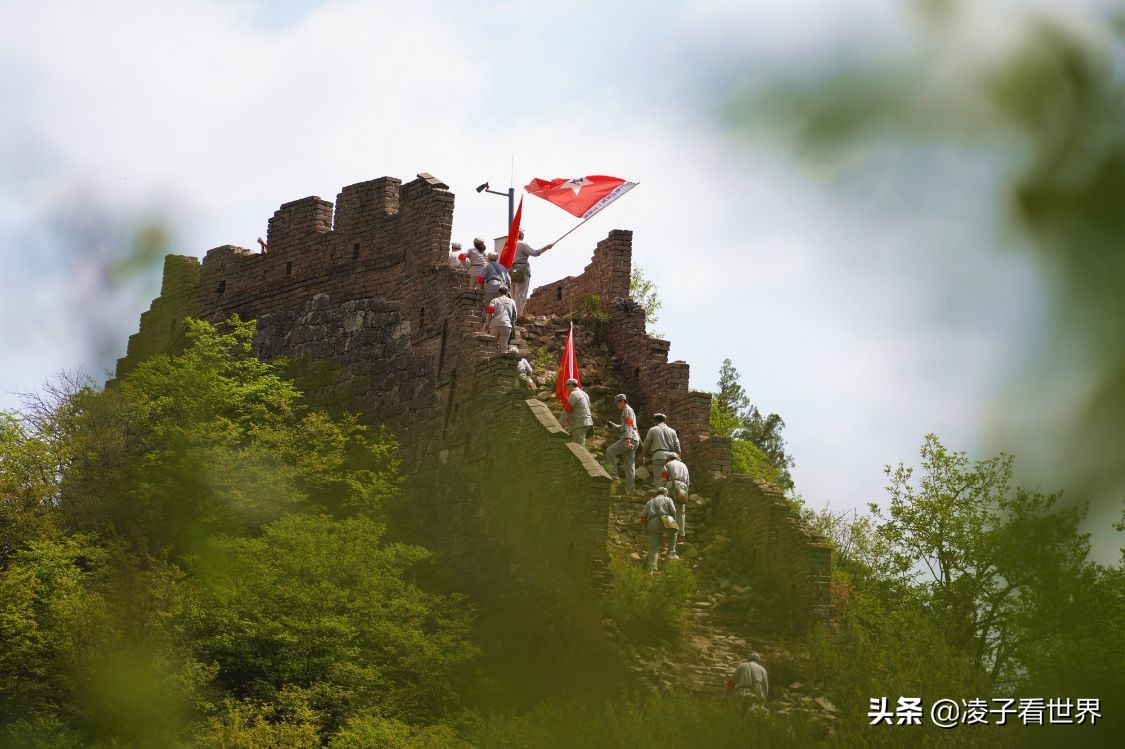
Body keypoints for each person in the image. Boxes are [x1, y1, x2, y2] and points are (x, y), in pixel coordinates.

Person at [509, 230, 554, 316]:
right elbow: (535, 253)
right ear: (522, 236)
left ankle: (511, 314)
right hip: (522, 270)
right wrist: (546, 247)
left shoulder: (510, 245)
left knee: (513, 294)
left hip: (512, 270)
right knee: (521, 294)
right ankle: (518, 315)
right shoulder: (522, 244)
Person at [604, 393, 640, 491]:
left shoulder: (627, 410)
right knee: (629, 466)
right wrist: (613, 425)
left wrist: (627, 438)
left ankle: (614, 474)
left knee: (610, 451)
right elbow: (625, 426)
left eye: (617, 403)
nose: (617, 405)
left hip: (629, 438)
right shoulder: (629, 410)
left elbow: (629, 424)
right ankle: (630, 489)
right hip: (634, 439)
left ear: (622, 401)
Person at [640, 487, 679, 572]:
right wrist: (673, 521)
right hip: (666, 518)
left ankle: (651, 569)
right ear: (665, 493)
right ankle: (671, 552)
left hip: (653, 522)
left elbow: (643, 516)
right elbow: (673, 511)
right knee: (675, 532)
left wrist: (645, 528)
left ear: (657, 493)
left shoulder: (650, 502)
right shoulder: (668, 499)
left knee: (654, 548)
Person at [640, 413, 681, 487]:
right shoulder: (673, 431)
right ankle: (669, 497)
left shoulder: (652, 430)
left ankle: (660, 497)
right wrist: (679, 459)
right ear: (665, 421)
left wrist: (643, 456)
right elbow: (678, 447)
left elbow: (646, 444)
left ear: (655, 421)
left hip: (658, 457)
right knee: (670, 480)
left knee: (659, 480)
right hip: (671, 458)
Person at [661, 452, 690, 552]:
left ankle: (669, 532)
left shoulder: (667, 465)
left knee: (668, 511)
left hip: (671, 487)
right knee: (681, 512)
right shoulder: (684, 466)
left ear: (669, 458)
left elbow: (663, 478)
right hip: (683, 488)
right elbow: (688, 481)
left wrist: (661, 490)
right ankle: (681, 535)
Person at [728, 652, 769, 719]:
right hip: (757, 697)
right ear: (758, 661)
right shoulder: (763, 670)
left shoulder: (742, 666)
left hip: (742, 694)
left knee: (739, 717)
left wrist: (726, 697)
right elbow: (765, 689)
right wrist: (763, 703)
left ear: (748, 659)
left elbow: (731, 682)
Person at [481, 252, 511, 325]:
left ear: (488, 257)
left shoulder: (487, 266)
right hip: (503, 290)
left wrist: (480, 288)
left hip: (491, 288)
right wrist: (508, 290)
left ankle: (487, 324)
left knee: (488, 307)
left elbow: (481, 278)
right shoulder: (503, 267)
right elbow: (509, 280)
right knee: (500, 309)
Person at [563, 378, 593, 446]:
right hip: (585, 422)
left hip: (579, 423)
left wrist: (560, 424)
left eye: (567, 386)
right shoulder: (584, 394)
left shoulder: (574, 394)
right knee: (567, 435)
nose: (566, 388)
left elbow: (568, 409)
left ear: (571, 385)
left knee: (579, 445)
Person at [487, 286, 517, 351]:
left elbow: (489, 312)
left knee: (492, 346)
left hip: (494, 325)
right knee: (503, 348)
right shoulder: (512, 302)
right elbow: (515, 315)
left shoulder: (494, 300)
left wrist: (488, 322)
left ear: (498, 292)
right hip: (506, 325)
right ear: (507, 293)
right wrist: (510, 322)